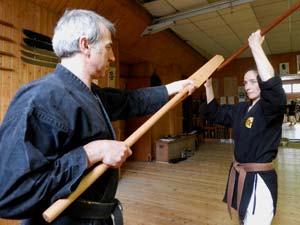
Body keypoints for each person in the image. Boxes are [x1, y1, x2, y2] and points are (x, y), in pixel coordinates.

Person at [0, 9, 195, 225]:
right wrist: (91, 153)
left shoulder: (90, 94)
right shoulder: (41, 99)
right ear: (85, 45)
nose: (112, 57)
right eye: (108, 47)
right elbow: (10, 194)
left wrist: (171, 89)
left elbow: (130, 101)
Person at [200, 30, 286, 225]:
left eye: (253, 81)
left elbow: (273, 88)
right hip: (241, 175)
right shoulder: (242, 109)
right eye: (245, 82)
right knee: (244, 219)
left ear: (262, 83)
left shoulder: (269, 108)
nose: (247, 86)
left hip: (259, 180)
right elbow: (217, 113)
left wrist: (255, 46)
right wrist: (208, 87)